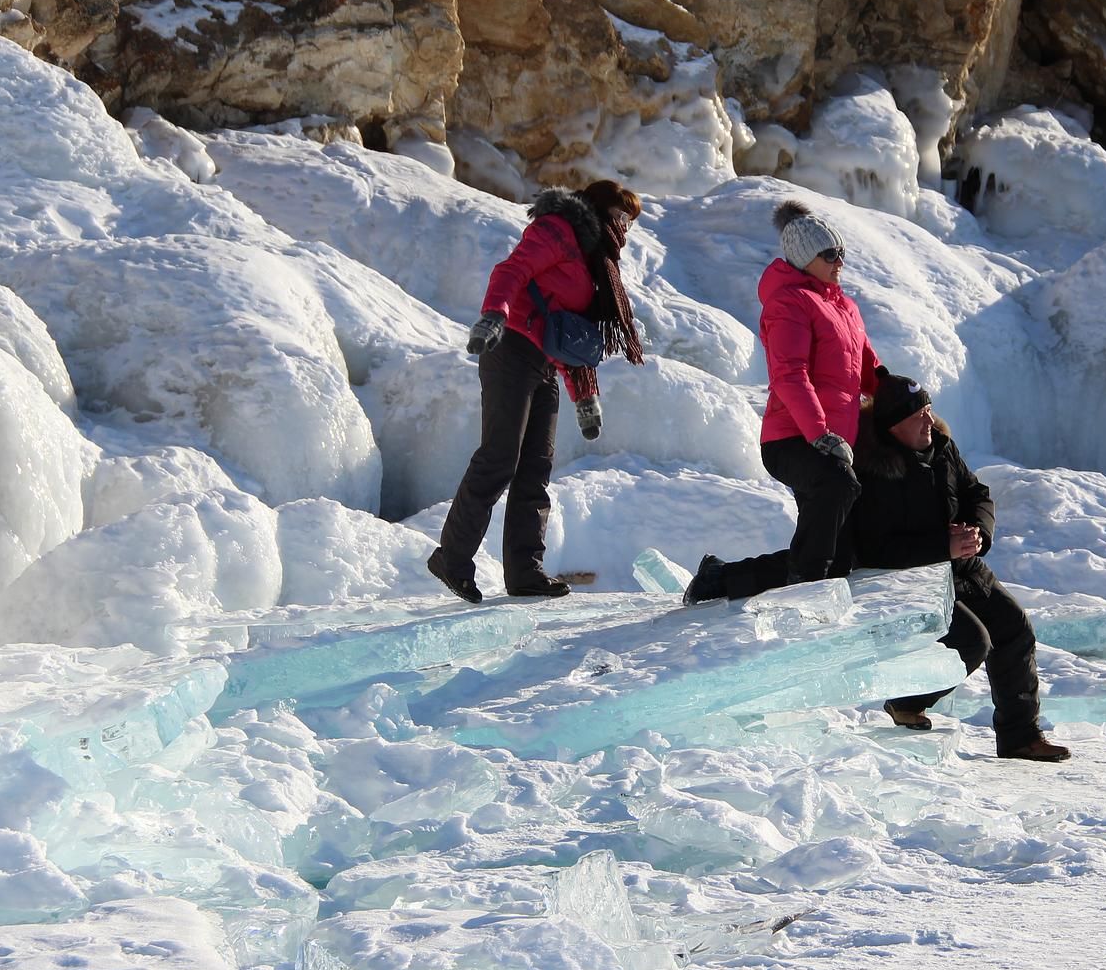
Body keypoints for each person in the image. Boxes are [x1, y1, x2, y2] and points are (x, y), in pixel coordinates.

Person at [685, 370, 1072, 764]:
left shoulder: (941, 446)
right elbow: (870, 548)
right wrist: (943, 546)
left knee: (1015, 628)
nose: (928, 419)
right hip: (909, 577)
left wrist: (979, 531)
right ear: (891, 426)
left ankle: (1021, 737)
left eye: (928, 408)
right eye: (917, 414)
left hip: (960, 566)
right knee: (972, 641)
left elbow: (977, 493)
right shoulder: (870, 469)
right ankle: (906, 702)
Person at [429, 180, 645, 604]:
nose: (625, 228)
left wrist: (585, 395)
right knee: (499, 457)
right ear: (600, 209)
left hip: (543, 362)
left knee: (536, 467)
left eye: (630, 222)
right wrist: (494, 316)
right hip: (509, 346)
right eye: (621, 217)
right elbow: (511, 271)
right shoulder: (558, 232)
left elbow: (569, 332)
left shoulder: (594, 261)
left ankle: (525, 571)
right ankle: (452, 558)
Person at [757, 199, 881, 585]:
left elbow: (868, 369)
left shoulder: (844, 307)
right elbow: (789, 374)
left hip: (830, 440)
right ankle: (807, 586)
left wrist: (907, 399)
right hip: (792, 438)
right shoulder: (789, 304)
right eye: (830, 254)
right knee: (837, 485)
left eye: (841, 252)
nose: (839, 261)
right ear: (803, 257)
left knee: (838, 545)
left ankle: (724, 579)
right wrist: (819, 434)